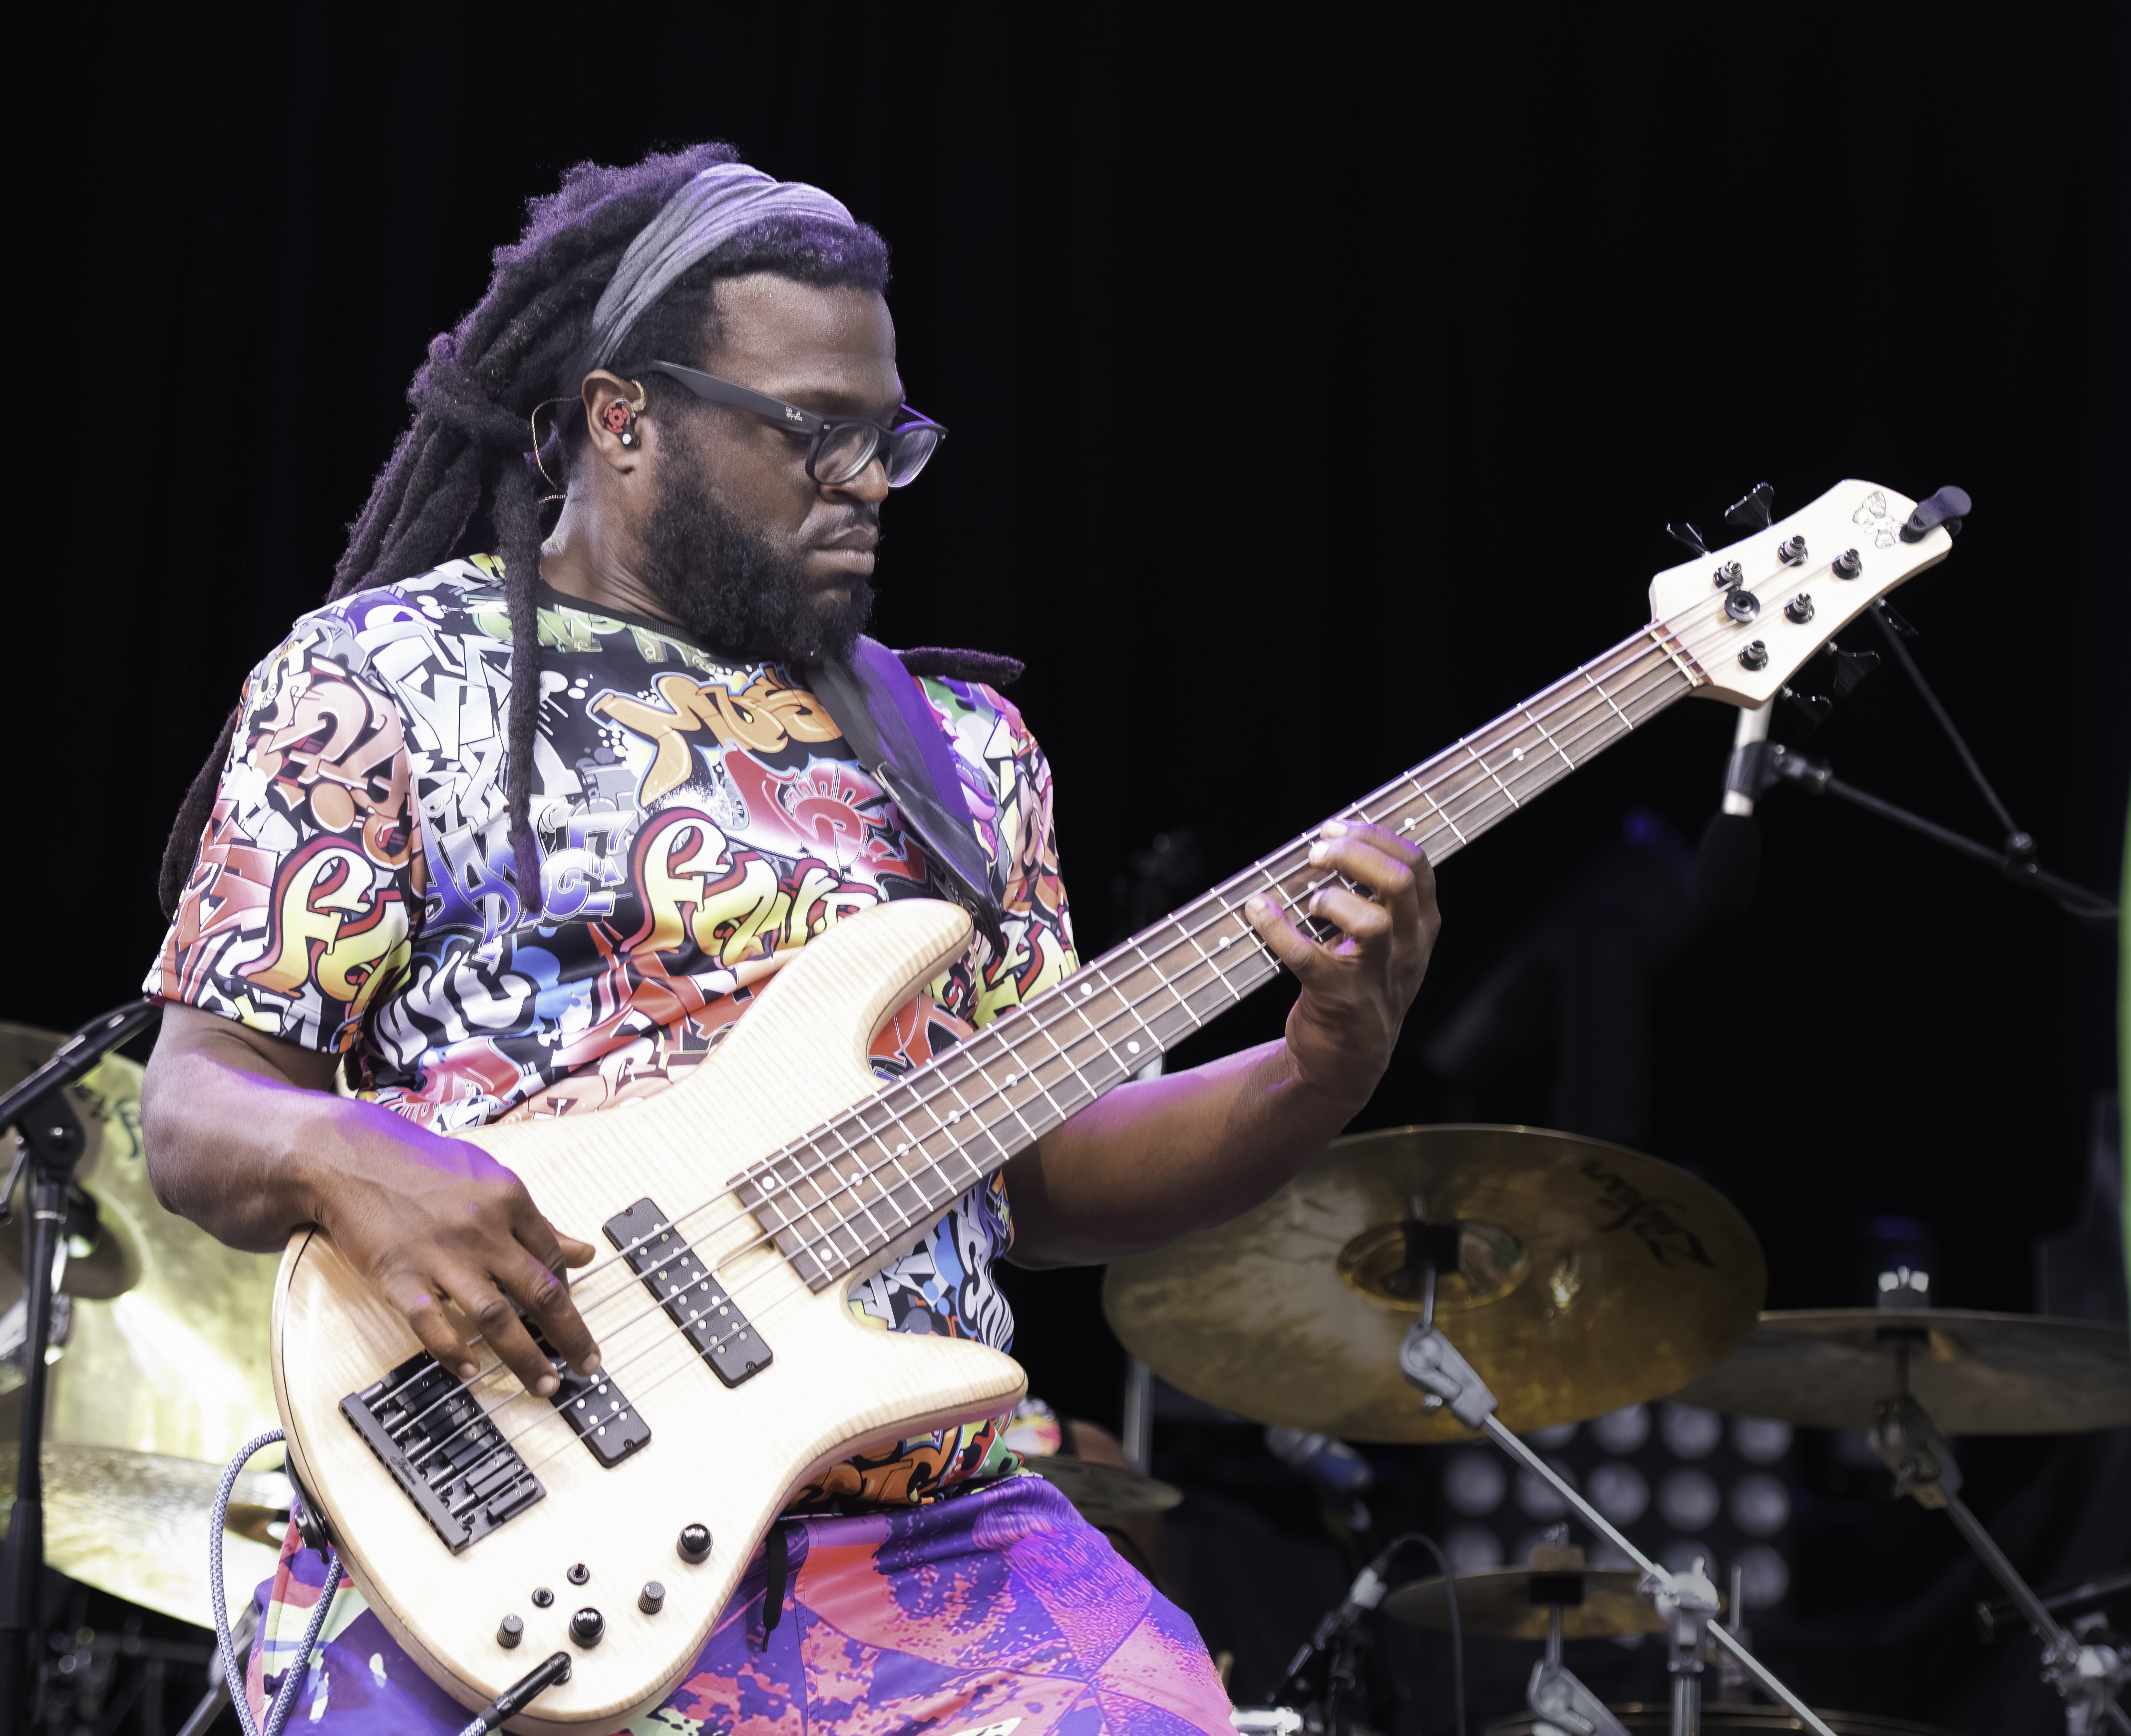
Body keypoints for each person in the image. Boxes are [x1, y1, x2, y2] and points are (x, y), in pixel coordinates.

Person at [140, 143, 1438, 1736]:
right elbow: (195, 1107)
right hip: (509, 1505)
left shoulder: (966, 751)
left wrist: (1313, 1074)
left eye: (890, 435)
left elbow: (1034, 1185)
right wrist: (354, 1160)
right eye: (813, 433)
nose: (870, 478)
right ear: (625, 420)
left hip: (920, 1543)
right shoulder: (386, 677)